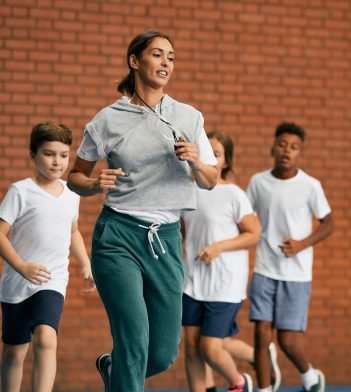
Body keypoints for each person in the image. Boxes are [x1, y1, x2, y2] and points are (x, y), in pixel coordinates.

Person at [67, 31, 217, 392]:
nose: (166, 62)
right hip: (118, 235)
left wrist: (195, 162)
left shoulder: (189, 117)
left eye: (171, 57)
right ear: (135, 61)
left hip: (165, 240)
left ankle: (113, 370)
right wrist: (94, 184)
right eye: (157, 54)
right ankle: (124, 371)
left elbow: (210, 180)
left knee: (163, 353)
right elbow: (74, 178)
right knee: (134, 340)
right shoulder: (107, 120)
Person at [0, 121, 95, 392]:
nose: (57, 162)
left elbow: (73, 231)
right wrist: (21, 266)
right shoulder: (21, 191)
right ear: (33, 155)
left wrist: (86, 263)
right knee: (14, 352)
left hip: (52, 280)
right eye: (49, 154)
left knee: (46, 338)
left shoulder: (71, 194)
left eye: (63, 155)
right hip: (17, 284)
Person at [247, 122, 334, 392]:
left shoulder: (310, 185)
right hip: (264, 270)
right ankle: (263, 388)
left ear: (300, 154)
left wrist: (301, 244)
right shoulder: (258, 182)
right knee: (261, 335)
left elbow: (329, 223)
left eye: (294, 147)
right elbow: (246, 218)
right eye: (283, 145)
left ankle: (309, 375)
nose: (287, 151)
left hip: (296, 275)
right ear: (273, 148)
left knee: (287, 341)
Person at [181, 131, 261, 392]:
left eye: (216, 154)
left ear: (226, 161)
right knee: (192, 346)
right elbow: (184, 234)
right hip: (192, 279)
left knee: (211, 348)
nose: (210, 158)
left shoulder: (234, 194)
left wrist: (218, 247)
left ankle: (240, 383)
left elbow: (254, 234)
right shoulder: (187, 192)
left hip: (225, 282)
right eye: (206, 152)